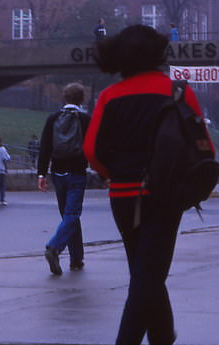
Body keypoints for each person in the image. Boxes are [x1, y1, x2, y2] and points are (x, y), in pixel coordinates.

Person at [84, 24, 212, 345]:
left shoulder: (109, 96)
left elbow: (91, 151)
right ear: (158, 54)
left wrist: (114, 176)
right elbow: (203, 147)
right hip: (165, 195)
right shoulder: (178, 92)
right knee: (148, 276)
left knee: (145, 271)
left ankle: (162, 337)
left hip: (124, 197)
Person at [37, 81, 92, 275]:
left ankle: (76, 258)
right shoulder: (85, 119)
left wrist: (42, 174)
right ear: (82, 99)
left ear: (64, 98)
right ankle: (54, 247)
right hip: (77, 172)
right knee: (72, 215)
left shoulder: (53, 119)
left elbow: (44, 148)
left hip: (57, 173)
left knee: (68, 216)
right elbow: (94, 148)